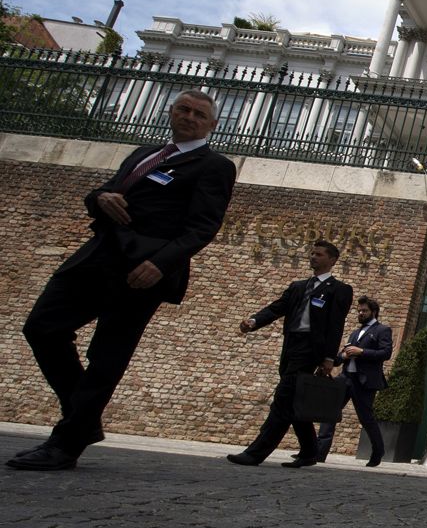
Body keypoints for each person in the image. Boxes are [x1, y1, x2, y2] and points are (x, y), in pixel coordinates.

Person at [9, 89, 237, 471]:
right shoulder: (145, 153)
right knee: (42, 328)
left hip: (141, 271)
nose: (190, 117)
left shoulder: (213, 165)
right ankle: (81, 419)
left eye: (200, 114)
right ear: (171, 112)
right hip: (98, 255)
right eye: (183, 109)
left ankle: (65, 445)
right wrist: (100, 198)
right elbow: (107, 192)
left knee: (107, 356)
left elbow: (202, 227)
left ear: (212, 125)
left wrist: (161, 264)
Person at [227, 240, 353, 468]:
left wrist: (328, 358)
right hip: (292, 347)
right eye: (312, 253)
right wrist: (254, 321)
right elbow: (277, 308)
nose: (313, 257)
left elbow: (335, 325)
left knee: (283, 399)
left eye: (319, 254)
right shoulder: (298, 286)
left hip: (310, 350)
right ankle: (310, 451)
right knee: (295, 401)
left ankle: (256, 453)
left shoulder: (339, 290)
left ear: (332, 260)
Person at [313, 296, 393, 467]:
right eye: (359, 311)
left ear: (374, 312)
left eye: (364, 311)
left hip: (364, 382)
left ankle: (378, 451)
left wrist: (361, 351)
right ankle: (319, 452)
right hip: (345, 379)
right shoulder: (355, 332)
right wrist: (342, 356)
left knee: (366, 419)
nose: (361, 313)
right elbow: (341, 356)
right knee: (329, 413)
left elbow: (385, 353)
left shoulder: (382, 330)